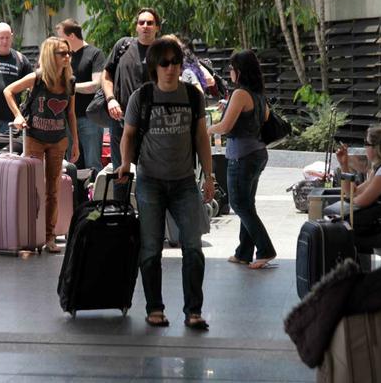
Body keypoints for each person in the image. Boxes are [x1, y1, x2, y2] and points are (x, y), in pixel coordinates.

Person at [116, 37, 214, 330]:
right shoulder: (142, 97)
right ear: (154, 67)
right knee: (150, 249)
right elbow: (129, 135)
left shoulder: (193, 97)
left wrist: (209, 177)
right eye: (165, 63)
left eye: (176, 62)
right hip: (150, 182)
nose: (171, 68)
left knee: (193, 248)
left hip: (184, 182)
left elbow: (201, 138)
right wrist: (124, 163)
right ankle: (154, 308)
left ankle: (193, 311)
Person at [4, 37, 80, 253]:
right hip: (34, 137)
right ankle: (29, 234)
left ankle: (49, 237)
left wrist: (75, 142)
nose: (67, 57)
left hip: (58, 139)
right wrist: (18, 116)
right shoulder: (37, 78)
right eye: (62, 53)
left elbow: (71, 113)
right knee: (32, 188)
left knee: (53, 189)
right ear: (50, 55)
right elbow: (8, 91)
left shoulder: (70, 81)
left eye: (69, 53)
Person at [207, 50, 275, 269]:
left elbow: (225, 126)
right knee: (247, 204)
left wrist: (206, 129)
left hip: (242, 156)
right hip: (257, 153)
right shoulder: (258, 94)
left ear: (239, 71)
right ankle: (243, 252)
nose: (229, 72)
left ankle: (265, 250)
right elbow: (262, 119)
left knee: (239, 204)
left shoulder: (240, 94)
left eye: (231, 68)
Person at [102, 8, 160, 199]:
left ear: (157, 27)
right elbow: (106, 75)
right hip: (120, 121)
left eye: (150, 23)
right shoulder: (123, 46)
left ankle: (148, 218)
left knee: (150, 174)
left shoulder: (162, 51)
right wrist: (110, 99)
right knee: (121, 172)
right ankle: (122, 217)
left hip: (152, 125)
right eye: (141, 22)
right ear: (136, 26)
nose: (145, 26)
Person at [325, 125, 381, 257]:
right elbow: (352, 193)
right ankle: (357, 273)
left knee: (342, 237)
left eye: (366, 143)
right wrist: (344, 164)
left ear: (377, 147)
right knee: (345, 233)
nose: (365, 147)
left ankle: (355, 275)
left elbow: (361, 202)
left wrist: (351, 200)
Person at [55, 18, 105, 172]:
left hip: (90, 118)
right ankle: (75, 196)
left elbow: (96, 84)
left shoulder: (95, 54)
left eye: (61, 36)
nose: (59, 41)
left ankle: (93, 195)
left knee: (93, 165)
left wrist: (70, 87)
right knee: (72, 165)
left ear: (71, 36)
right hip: (68, 119)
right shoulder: (65, 56)